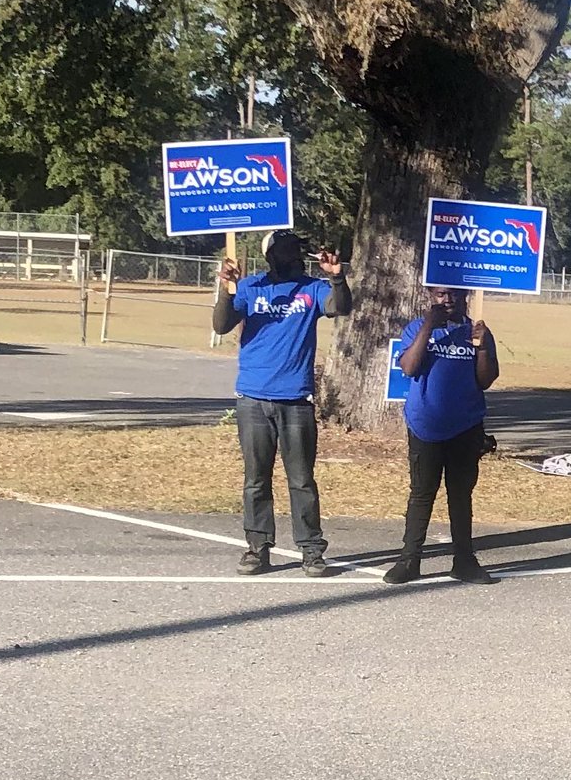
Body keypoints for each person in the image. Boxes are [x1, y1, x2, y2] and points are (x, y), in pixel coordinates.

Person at [213, 229, 352, 577]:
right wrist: (227, 288)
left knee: (302, 480)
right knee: (256, 480)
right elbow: (221, 324)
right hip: (253, 398)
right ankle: (258, 548)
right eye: (289, 250)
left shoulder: (312, 288)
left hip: (296, 400)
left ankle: (311, 550)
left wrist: (337, 278)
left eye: (298, 250)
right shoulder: (251, 287)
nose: (297, 256)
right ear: (271, 256)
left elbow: (340, 307)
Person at [383, 286, 500, 586]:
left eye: (453, 295)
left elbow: (485, 380)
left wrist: (483, 347)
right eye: (439, 295)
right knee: (422, 493)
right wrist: (428, 327)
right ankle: (409, 560)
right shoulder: (416, 329)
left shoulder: (476, 331)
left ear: (465, 297)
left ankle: (464, 561)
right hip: (425, 424)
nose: (446, 300)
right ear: (431, 297)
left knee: (460, 495)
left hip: (465, 425)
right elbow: (409, 367)